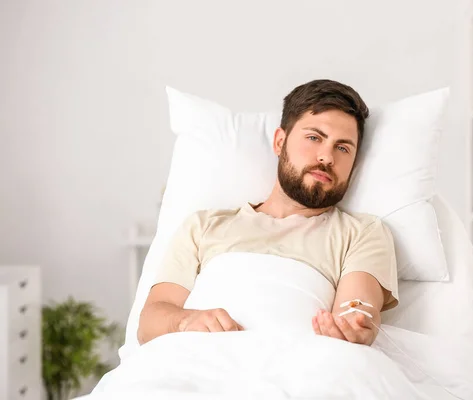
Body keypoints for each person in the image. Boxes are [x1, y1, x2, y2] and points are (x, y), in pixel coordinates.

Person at [137, 79, 399, 348]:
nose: (327, 157)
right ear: (279, 142)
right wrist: (185, 322)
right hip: (195, 362)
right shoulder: (203, 226)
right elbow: (150, 322)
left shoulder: (362, 233)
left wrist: (354, 325)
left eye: (343, 148)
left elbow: (356, 308)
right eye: (314, 138)